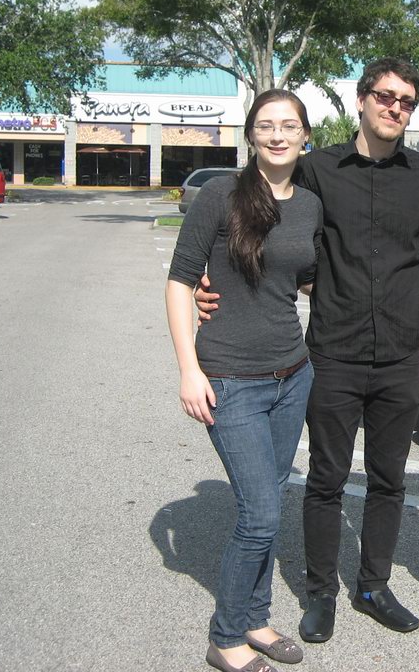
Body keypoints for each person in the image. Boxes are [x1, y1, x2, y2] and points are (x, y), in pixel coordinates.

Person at [196, 58, 419, 644]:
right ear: (361, 99)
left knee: (389, 479)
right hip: (333, 351)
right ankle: (321, 594)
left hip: (402, 352)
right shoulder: (316, 169)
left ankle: (374, 587)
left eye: (406, 101)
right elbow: (263, 229)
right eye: (385, 96)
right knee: (326, 480)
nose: (395, 107)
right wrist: (211, 284)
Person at [166, 89, 323, 672]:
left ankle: (256, 618)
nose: (278, 135)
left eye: (289, 125)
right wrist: (189, 368)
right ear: (251, 134)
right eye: (266, 125)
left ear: (305, 135)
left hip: (292, 375)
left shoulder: (309, 205)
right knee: (259, 514)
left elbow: (303, 278)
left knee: (268, 506)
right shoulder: (220, 195)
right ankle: (226, 636)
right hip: (230, 378)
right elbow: (180, 280)